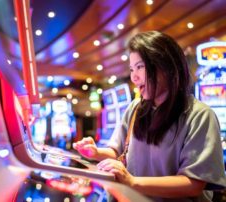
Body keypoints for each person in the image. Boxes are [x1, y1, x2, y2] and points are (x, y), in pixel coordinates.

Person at [73, 31, 226, 201]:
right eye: (131, 69)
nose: (134, 77)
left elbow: (194, 183)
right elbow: (118, 150)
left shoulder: (200, 116)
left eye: (140, 67)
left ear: (166, 66)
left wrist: (132, 181)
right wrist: (95, 152)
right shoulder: (135, 109)